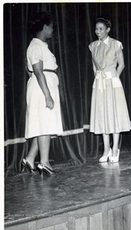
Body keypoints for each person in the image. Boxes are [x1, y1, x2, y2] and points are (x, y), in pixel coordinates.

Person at [22, 11, 63, 175]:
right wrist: (47, 95)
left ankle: (30, 158)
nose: (52, 30)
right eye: (51, 27)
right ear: (45, 27)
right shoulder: (35, 46)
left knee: (42, 126)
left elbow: (31, 71)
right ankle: (44, 162)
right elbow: (37, 72)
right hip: (42, 88)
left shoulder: (40, 46)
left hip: (43, 86)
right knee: (44, 126)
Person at [89, 17, 131, 163]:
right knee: (102, 115)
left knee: (114, 114)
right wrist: (99, 78)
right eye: (96, 29)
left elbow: (122, 64)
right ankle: (106, 149)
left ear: (108, 29)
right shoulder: (93, 46)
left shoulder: (115, 44)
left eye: (101, 29)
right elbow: (94, 67)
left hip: (112, 83)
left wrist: (113, 78)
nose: (98, 31)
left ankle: (115, 150)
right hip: (100, 84)